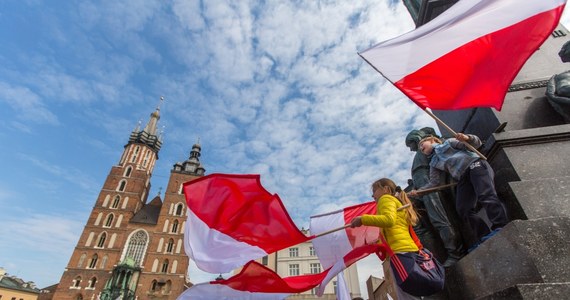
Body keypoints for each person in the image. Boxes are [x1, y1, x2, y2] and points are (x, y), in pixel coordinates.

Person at [410, 133, 509, 251]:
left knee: (486, 195)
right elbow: (434, 183)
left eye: (422, 144)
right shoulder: (433, 163)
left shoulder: (449, 143)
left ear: (432, 140)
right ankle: (484, 235)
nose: (420, 148)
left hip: (474, 165)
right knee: (463, 209)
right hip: (462, 177)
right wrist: (419, 192)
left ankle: (501, 225)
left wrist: (467, 138)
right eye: (420, 147)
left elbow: (476, 143)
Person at [350, 178, 424, 299]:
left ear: (386, 189)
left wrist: (362, 219)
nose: (372, 195)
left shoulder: (385, 198)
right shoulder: (396, 201)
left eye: (374, 190)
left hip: (400, 252)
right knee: (412, 293)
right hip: (408, 250)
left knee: (407, 296)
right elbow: (394, 227)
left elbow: (388, 220)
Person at [405, 128, 465, 267]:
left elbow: (445, 151)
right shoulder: (422, 151)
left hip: (429, 188)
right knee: (420, 222)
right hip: (421, 189)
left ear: (415, 138)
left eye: (411, 145)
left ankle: (455, 253)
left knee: (440, 220)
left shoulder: (429, 146)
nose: (412, 149)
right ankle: (437, 256)